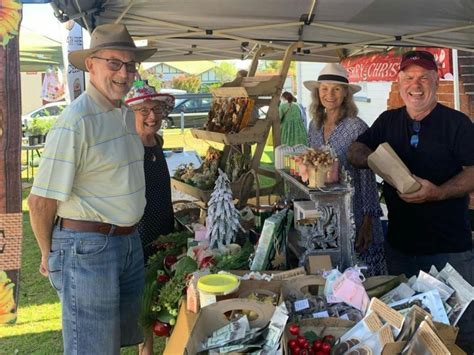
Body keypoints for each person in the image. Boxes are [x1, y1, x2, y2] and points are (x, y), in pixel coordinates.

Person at [27, 24, 156, 354]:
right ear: (91, 65)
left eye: (130, 65)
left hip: (127, 241)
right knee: (92, 348)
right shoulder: (76, 121)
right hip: (88, 248)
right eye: (114, 63)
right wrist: (48, 255)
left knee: (113, 342)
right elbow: (40, 200)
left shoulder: (127, 116)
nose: (124, 74)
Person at [348, 51, 474, 351]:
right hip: (401, 247)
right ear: (399, 81)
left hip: (450, 250)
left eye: (423, 78)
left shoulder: (457, 123)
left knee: (460, 331)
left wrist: (439, 192)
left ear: (435, 80)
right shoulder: (388, 120)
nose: (415, 85)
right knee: (404, 330)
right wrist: (373, 160)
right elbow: (355, 150)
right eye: (408, 78)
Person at [304, 63, 387, 276]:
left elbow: (368, 176)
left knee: (360, 274)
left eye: (336, 89)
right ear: (317, 93)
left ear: (345, 94)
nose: (329, 94)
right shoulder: (314, 125)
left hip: (357, 210)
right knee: (333, 271)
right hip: (327, 213)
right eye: (324, 89)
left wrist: (368, 221)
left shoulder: (356, 127)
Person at [125, 81, 175, 355]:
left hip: (163, 227)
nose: (152, 116)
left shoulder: (158, 142)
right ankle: (146, 349)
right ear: (131, 113)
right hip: (138, 231)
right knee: (142, 295)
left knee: (163, 288)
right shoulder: (127, 146)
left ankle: (168, 344)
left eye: (156, 109)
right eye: (143, 110)